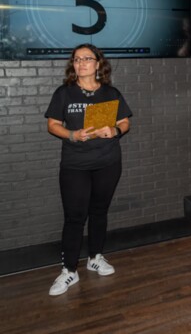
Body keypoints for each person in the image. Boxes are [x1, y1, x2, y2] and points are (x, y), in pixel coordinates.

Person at [45, 44, 133, 296]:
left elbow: (124, 122)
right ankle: (69, 270)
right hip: (75, 165)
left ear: (98, 64)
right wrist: (73, 134)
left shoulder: (110, 92)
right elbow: (53, 125)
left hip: (108, 162)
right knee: (74, 217)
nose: (80, 63)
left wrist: (114, 130)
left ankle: (95, 256)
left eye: (86, 58)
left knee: (99, 212)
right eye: (76, 59)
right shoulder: (65, 93)